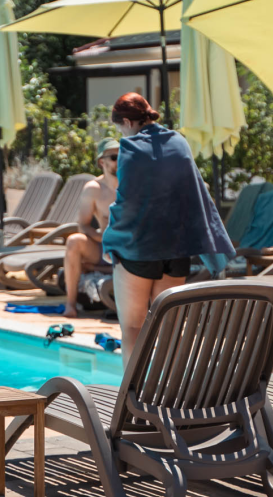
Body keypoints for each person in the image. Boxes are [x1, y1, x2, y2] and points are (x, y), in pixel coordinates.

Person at [101, 93, 233, 361]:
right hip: (177, 248)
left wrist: (109, 240)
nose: (121, 135)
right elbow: (193, 192)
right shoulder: (179, 141)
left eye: (120, 129)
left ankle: (132, 387)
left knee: (134, 328)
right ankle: (168, 385)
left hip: (139, 249)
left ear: (127, 122)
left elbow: (127, 203)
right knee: (169, 327)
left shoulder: (130, 148)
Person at [61, 138, 119, 318]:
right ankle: (70, 304)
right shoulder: (94, 189)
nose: (120, 160)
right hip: (104, 246)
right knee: (74, 241)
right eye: (114, 157)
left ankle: (94, 268)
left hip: (128, 247)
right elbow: (83, 225)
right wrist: (103, 238)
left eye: (123, 155)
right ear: (102, 162)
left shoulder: (133, 184)